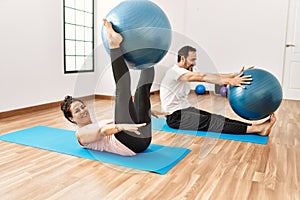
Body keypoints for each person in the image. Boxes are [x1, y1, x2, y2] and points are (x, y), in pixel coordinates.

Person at [60, 19, 155, 156]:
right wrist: (121, 127)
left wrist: (148, 110)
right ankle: (114, 44)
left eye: (82, 106)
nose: (82, 110)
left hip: (143, 138)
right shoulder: (80, 135)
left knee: (142, 91)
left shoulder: (100, 122)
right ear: (72, 119)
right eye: (77, 111)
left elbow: (128, 115)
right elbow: (102, 132)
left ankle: (148, 57)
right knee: (122, 90)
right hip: (128, 144)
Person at [160, 46, 276, 136]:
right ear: (183, 58)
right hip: (175, 118)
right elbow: (202, 76)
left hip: (185, 110)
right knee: (214, 124)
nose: (194, 63)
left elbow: (208, 75)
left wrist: (233, 75)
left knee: (217, 118)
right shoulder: (175, 72)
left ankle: (254, 126)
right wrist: (230, 81)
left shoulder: (181, 72)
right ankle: (256, 129)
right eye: (192, 59)